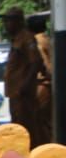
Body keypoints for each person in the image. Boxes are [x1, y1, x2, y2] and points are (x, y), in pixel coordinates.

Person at [2, 6, 47, 147]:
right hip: (15, 93)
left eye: (9, 21)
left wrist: (25, 86)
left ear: (19, 21)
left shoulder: (26, 38)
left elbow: (36, 62)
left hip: (23, 94)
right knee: (18, 125)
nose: (6, 25)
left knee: (27, 128)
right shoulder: (16, 39)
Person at [29, 15, 53, 146]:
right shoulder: (47, 39)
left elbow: (40, 62)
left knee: (40, 121)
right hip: (47, 84)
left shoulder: (37, 41)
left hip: (41, 84)